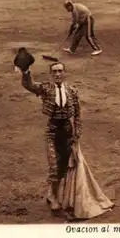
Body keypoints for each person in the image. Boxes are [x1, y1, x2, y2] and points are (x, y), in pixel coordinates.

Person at [20, 60, 82, 213]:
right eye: (54, 72)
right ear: (51, 74)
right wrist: (25, 71)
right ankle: (53, 197)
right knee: (54, 165)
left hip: (67, 132)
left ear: (64, 73)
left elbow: (78, 114)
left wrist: (77, 133)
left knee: (64, 166)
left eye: (60, 71)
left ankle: (52, 194)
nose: (57, 74)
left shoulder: (72, 91)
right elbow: (29, 85)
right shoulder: (46, 89)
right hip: (52, 131)